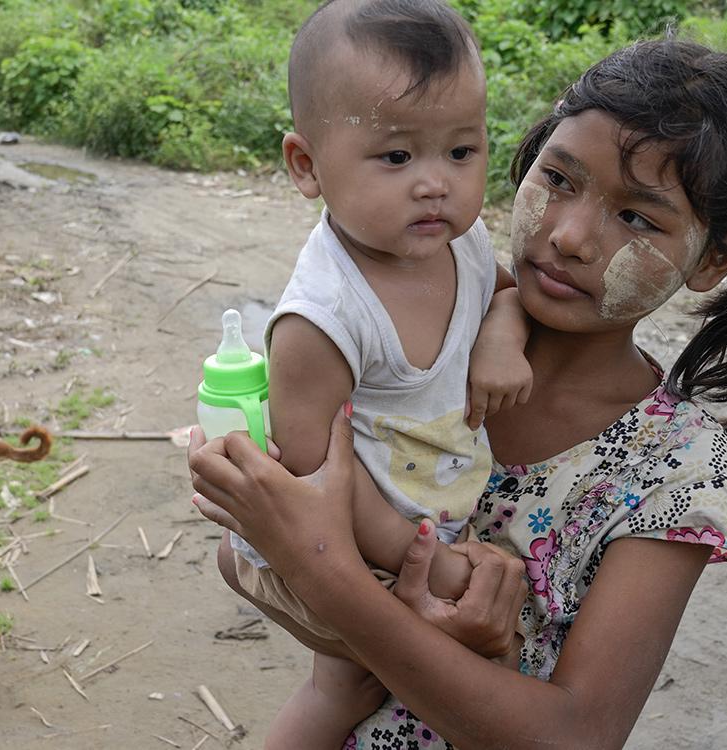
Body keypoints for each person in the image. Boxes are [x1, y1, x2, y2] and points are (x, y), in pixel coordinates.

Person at [191, 37, 727, 749]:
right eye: (559, 178)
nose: (571, 235)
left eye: (637, 218)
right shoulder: (426, 325)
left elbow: (575, 737)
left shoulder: (676, 474)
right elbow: (246, 550)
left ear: (717, 258)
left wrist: (328, 573)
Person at [220, 0, 535, 746]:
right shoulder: (322, 319)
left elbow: (509, 292)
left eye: (462, 152)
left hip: (414, 517)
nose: (436, 185)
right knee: (362, 682)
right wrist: (423, 559)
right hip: (330, 539)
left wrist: (500, 330)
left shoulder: (457, 242)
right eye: (397, 157)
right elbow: (310, 479)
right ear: (307, 165)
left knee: (421, 675)